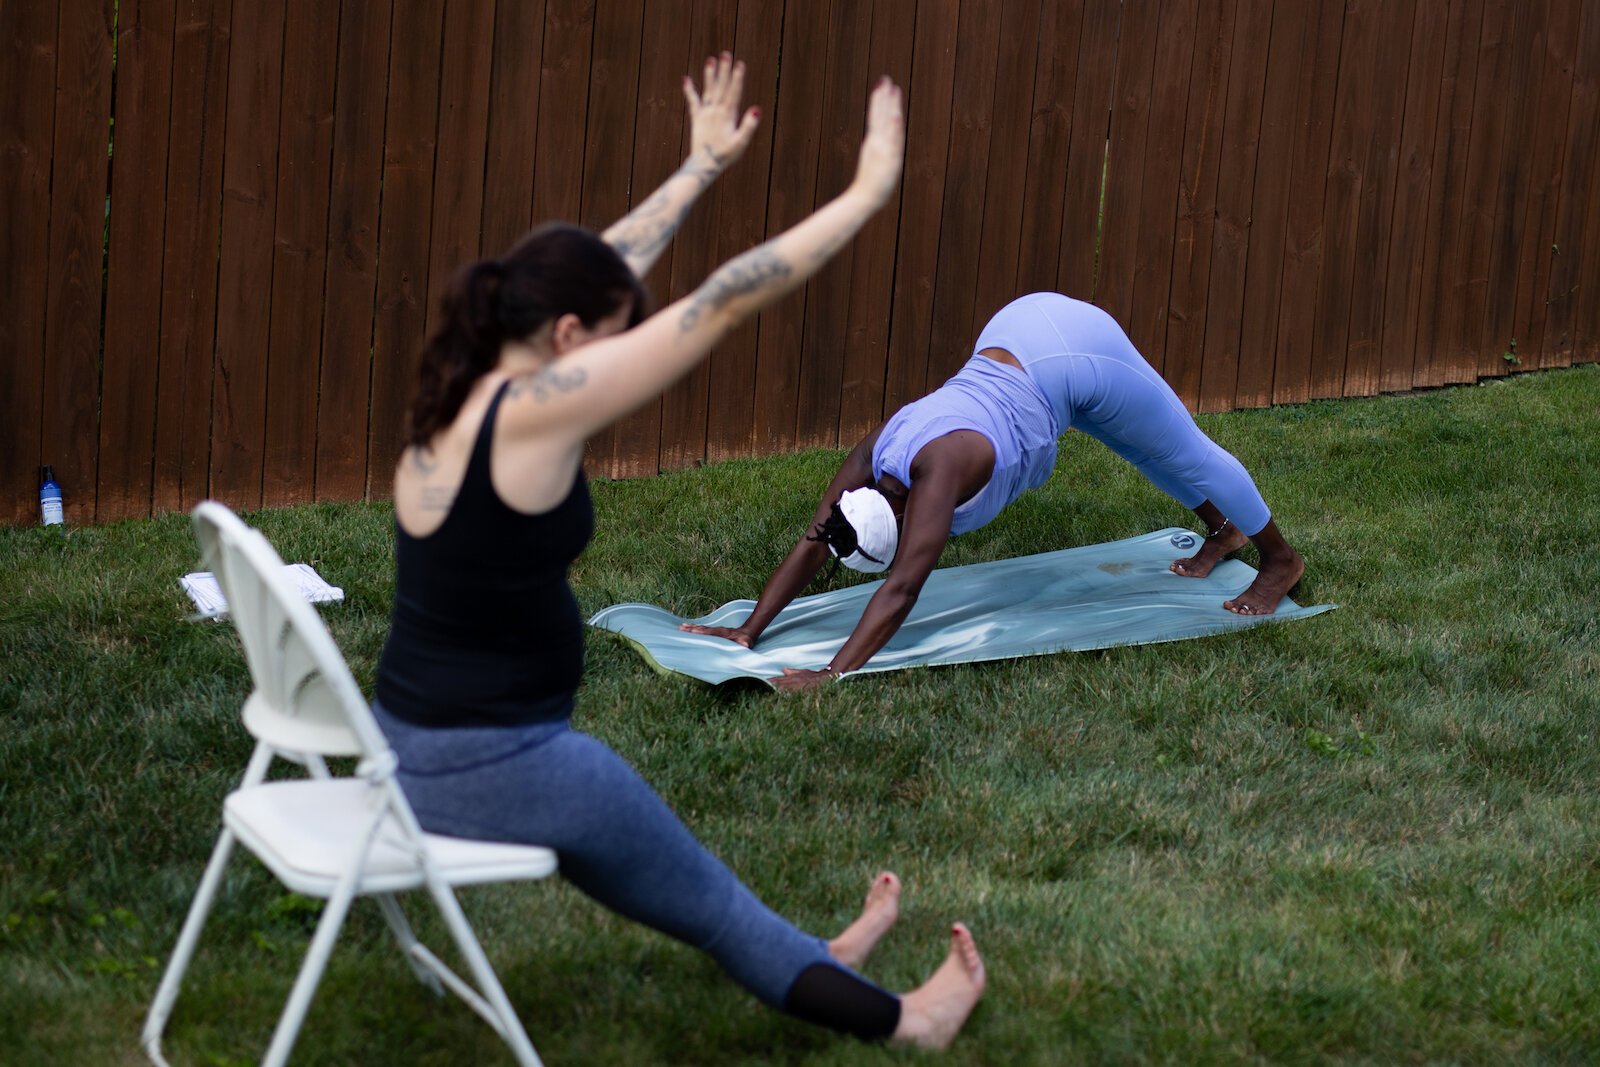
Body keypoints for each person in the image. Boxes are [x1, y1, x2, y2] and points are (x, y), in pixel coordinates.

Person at [371, 56, 984, 1048]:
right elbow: (721, 302)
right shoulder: (527, 418)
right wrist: (866, 195)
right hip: (494, 762)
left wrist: (699, 169)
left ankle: (810, 958)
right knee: (708, 903)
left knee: (698, 894)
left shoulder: (474, 376)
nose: (625, 346)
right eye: (612, 336)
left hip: (416, 741)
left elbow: (600, 269)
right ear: (568, 336)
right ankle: (909, 1020)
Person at [682, 290, 1306, 691]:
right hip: (1014, 339)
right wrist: (748, 630)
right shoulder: (876, 457)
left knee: (1178, 448)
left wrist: (831, 673)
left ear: (903, 522)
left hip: (1070, 349)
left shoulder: (937, 476)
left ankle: (1280, 559)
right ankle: (1225, 530)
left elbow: (902, 588)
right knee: (1135, 446)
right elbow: (815, 540)